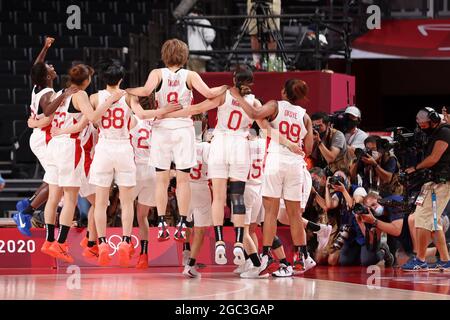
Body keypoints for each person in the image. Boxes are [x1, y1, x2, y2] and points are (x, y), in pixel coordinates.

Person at [126, 38, 227, 243]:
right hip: (183, 128)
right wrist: (226, 87)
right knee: (183, 180)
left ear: (164, 55)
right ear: (184, 55)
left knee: (161, 181)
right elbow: (208, 94)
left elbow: (145, 92)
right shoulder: (190, 75)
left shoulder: (157, 74)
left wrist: (127, 91)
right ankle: (182, 221)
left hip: (161, 128)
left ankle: (162, 221)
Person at [88, 60, 179, 267]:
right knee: (128, 203)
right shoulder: (129, 97)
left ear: (103, 79)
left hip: (103, 147)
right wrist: (165, 110)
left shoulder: (94, 98)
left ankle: (101, 243)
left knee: (101, 202)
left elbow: (92, 120)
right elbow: (143, 115)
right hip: (123, 149)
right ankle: (126, 241)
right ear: (121, 79)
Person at [231, 78, 314, 275]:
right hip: (296, 163)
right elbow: (309, 149)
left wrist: (237, 97)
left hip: (276, 160)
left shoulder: (275, 105)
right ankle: (301, 257)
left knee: (270, 213)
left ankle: (267, 256)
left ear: (284, 92)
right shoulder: (306, 117)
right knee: (296, 215)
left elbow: (254, 113)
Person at [13, 37, 77, 237]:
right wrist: (64, 94)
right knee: (54, 180)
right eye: (50, 67)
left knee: (53, 179)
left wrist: (45, 47)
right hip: (44, 138)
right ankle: (25, 212)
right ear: (47, 76)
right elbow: (49, 111)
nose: (52, 67)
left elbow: (36, 66)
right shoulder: (49, 94)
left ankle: (29, 204)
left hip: (41, 136)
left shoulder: (38, 85)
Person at [40, 64, 96, 263]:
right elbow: (92, 117)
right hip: (69, 145)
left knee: (53, 197)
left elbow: (48, 116)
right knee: (71, 197)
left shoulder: (60, 93)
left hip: (53, 146)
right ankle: (61, 243)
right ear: (86, 81)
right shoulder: (80, 95)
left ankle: (48, 240)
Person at [401, 107, 450, 271]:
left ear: (433, 121)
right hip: (431, 182)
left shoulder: (444, 132)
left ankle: (420, 259)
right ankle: (445, 259)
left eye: (424, 125)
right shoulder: (434, 133)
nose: (422, 128)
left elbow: (434, 158)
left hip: (441, 184)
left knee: (421, 218)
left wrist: (415, 167)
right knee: (433, 222)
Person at [129, 108, 156, 269]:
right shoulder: (156, 121)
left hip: (135, 170)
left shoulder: (133, 119)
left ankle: (127, 243)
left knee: (125, 208)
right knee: (143, 216)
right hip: (152, 171)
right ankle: (143, 255)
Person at [182, 133, 212, 278]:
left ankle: (186, 251)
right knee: (199, 230)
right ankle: (190, 264)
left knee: (186, 222)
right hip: (201, 187)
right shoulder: (207, 147)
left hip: (185, 187)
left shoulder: (183, 145)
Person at [246, 0, 282, 69]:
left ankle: (272, 63)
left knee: (272, 31)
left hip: (272, 2)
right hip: (253, 2)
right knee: (254, 31)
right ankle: (256, 63)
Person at [186, 4, 216, 73]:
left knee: (189, 77)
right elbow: (209, 38)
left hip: (189, 53)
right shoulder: (204, 22)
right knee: (200, 76)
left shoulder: (187, 21)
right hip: (200, 53)